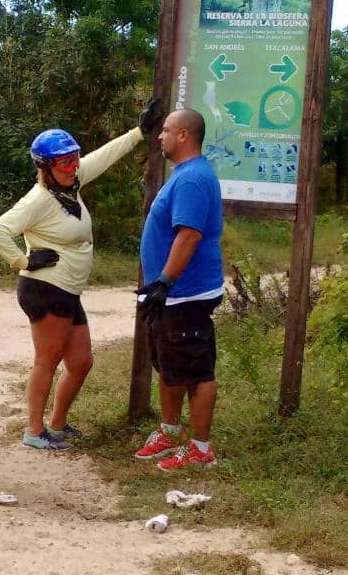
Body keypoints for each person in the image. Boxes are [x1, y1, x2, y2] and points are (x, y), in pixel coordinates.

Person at [0, 100, 164, 450]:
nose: (72, 166)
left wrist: (139, 132)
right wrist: (23, 261)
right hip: (45, 287)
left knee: (81, 362)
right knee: (48, 361)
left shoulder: (70, 184)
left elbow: (103, 156)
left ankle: (58, 423)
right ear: (45, 167)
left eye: (73, 158)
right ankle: (34, 432)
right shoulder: (39, 198)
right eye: (64, 162)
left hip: (68, 289)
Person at [134, 108, 224, 471]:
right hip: (169, 293)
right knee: (169, 364)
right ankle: (170, 431)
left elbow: (189, 235)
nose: (160, 136)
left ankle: (201, 448)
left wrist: (165, 282)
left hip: (185, 292)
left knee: (197, 370)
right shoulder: (183, 175)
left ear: (184, 135)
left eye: (166, 130)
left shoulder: (192, 179)